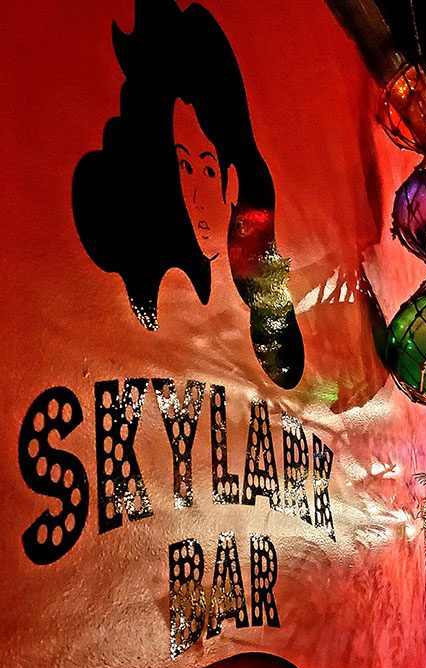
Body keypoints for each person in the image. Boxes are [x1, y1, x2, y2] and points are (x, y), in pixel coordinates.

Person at [72, 0, 304, 388]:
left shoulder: (251, 268)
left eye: (209, 168)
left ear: (230, 181)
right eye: (182, 166)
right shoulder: (155, 276)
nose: (196, 193)